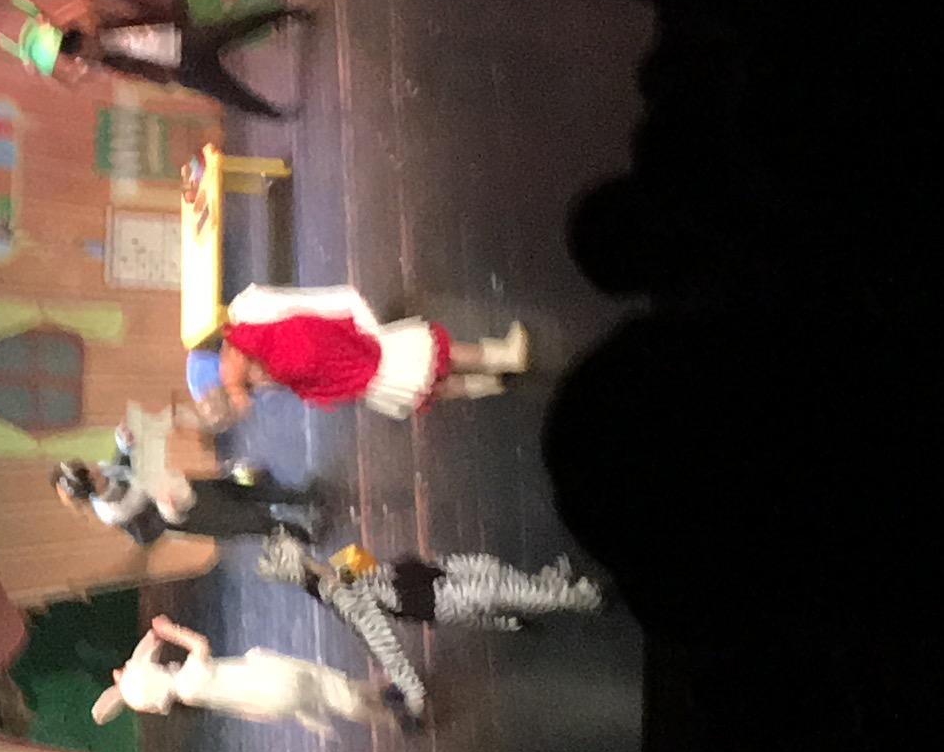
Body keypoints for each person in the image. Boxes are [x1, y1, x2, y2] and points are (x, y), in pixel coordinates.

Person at [254, 532, 605, 711]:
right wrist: (412, 690)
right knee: (501, 591)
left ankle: (547, 588)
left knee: (492, 570)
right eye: (297, 555)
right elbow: (381, 639)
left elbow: (379, 572)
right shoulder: (341, 595)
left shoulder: (337, 567)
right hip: (436, 599)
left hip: (431, 574)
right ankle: (579, 597)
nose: (301, 549)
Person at [187, 284, 532, 427]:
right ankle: (504, 356)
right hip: (363, 353)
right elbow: (311, 312)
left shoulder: (268, 376)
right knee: (439, 353)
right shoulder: (253, 329)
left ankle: (489, 384)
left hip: (364, 382)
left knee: (430, 387)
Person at [0, 0, 302, 121]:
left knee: (237, 27)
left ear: (85, 38)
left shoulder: (104, 24)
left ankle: (285, 14)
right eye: (82, 54)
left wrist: (54, 21)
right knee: (231, 94)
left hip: (184, 39)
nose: (87, 53)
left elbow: (90, 4)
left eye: (85, 47)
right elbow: (72, 84)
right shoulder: (103, 64)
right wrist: (44, 71)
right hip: (182, 69)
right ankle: (274, 113)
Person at [90, 615, 402, 738]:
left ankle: (382, 703)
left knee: (328, 696)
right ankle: (388, 710)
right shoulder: (190, 678)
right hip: (272, 679)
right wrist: (171, 631)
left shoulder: (187, 696)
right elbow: (200, 645)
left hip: (270, 701)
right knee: (330, 686)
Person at [54, 447, 320, 546]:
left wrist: (124, 445)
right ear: (92, 486)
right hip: (191, 513)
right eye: (90, 473)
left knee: (245, 490)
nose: (95, 468)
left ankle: (301, 497)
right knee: (251, 520)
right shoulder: (113, 511)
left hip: (188, 486)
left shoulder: (106, 470)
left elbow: (126, 467)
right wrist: (166, 512)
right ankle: (303, 533)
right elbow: (144, 534)